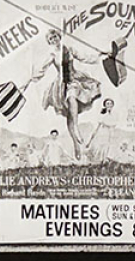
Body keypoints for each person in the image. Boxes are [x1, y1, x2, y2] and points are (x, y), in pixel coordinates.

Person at [23, 29, 108, 160]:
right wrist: (30, 79)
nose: (54, 40)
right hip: (61, 84)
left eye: (55, 37)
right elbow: (42, 69)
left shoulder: (70, 49)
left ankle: (76, 128)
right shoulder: (52, 55)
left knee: (72, 97)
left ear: (59, 37)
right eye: (51, 39)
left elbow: (85, 57)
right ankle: (76, 144)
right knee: (69, 115)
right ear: (49, 42)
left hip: (74, 80)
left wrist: (99, 56)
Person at [84, 98, 118, 163]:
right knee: (99, 147)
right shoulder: (102, 114)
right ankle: (97, 161)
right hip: (102, 132)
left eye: (110, 104)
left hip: (109, 132)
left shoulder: (114, 114)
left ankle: (104, 160)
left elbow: (114, 124)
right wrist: (91, 138)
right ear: (105, 105)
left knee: (106, 146)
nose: (109, 105)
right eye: (107, 103)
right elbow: (99, 125)